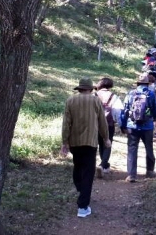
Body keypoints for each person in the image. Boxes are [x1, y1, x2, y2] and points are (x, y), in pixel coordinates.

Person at [61, 77, 110, 218]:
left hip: (74, 142)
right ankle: (83, 207)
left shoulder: (70, 100)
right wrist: (106, 138)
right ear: (90, 89)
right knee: (88, 172)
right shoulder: (95, 101)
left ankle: (81, 189)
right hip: (90, 142)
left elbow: (66, 123)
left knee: (77, 166)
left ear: (80, 88)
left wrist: (65, 142)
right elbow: (102, 121)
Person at [120, 74, 156, 182]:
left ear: (138, 83)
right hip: (147, 126)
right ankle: (149, 171)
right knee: (149, 148)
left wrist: (123, 125)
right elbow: (155, 109)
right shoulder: (151, 94)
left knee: (132, 149)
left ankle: (131, 175)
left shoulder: (130, 93)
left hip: (132, 126)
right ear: (147, 84)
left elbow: (125, 110)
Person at [95, 77, 124, 179]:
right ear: (110, 85)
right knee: (107, 143)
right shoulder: (113, 96)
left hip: (95, 124)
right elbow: (118, 111)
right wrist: (121, 125)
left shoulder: (95, 95)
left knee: (100, 143)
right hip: (108, 124)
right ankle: (103, 165)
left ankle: (104, 165)